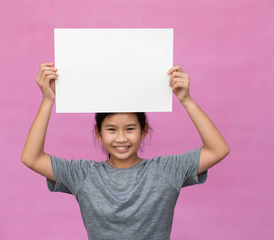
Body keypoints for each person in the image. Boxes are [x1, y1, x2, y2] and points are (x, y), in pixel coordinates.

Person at [21, 63, 230, 240]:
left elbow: (218, 150)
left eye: (130, 128)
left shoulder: (166, 170)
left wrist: (186, 99)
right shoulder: (83, 174)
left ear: (143, 130)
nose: (121, 138)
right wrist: (48, 99)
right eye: (111, 129)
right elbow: (32, 158)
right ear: (98, 133)